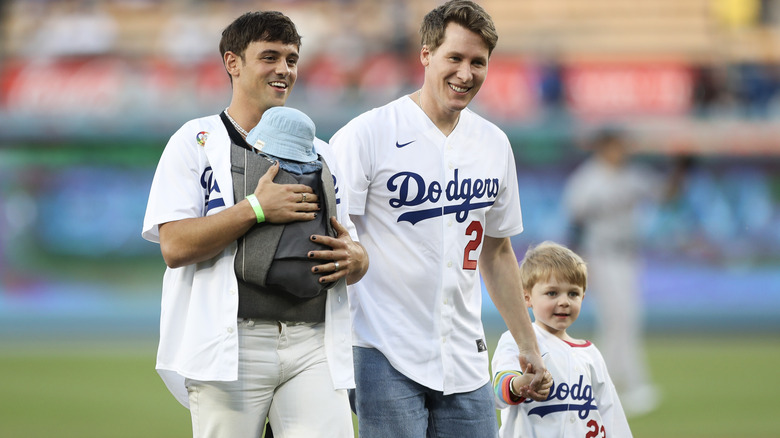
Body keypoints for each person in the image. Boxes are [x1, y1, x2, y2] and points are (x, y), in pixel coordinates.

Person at [141, 11, 368, 438]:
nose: (284, 69)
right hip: (232, 343)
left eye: (292, 58)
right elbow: (173, 246)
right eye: (269, 56)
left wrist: (356, 259)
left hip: (312, 342)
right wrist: (256, 208)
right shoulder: (194, 142)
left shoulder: (323, 151)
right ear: (233, 62)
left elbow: (350, 247)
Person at [330, 1, 550, 436]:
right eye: (455, 57)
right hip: (382, 348)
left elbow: (498, 250)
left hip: (465, 355)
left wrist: (529, 344)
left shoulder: (493, 143)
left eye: (478, 62)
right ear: (426, 54)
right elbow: (332, 233)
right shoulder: (367, 133)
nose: (466, 74)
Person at [562, 128, 684, 416]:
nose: (622, 150)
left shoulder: (633, 175)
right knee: (621, 319)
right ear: (603, 147)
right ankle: (633, 385)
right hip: (599, 255)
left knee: (619, 322)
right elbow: (574, 223)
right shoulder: (587, 179)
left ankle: (597, 385)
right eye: (617, 145)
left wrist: (681, 169)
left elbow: (666, 195)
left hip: (627, 255)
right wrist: (576, 266)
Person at [492, 241, 632, 437]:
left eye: (573, 293)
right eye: (552, 293)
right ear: (527, 297)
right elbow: (498, 393)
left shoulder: (591, 355)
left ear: (583, 297)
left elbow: (611, 415)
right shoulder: (517, 340)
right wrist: (521, 384)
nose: (564, 301)